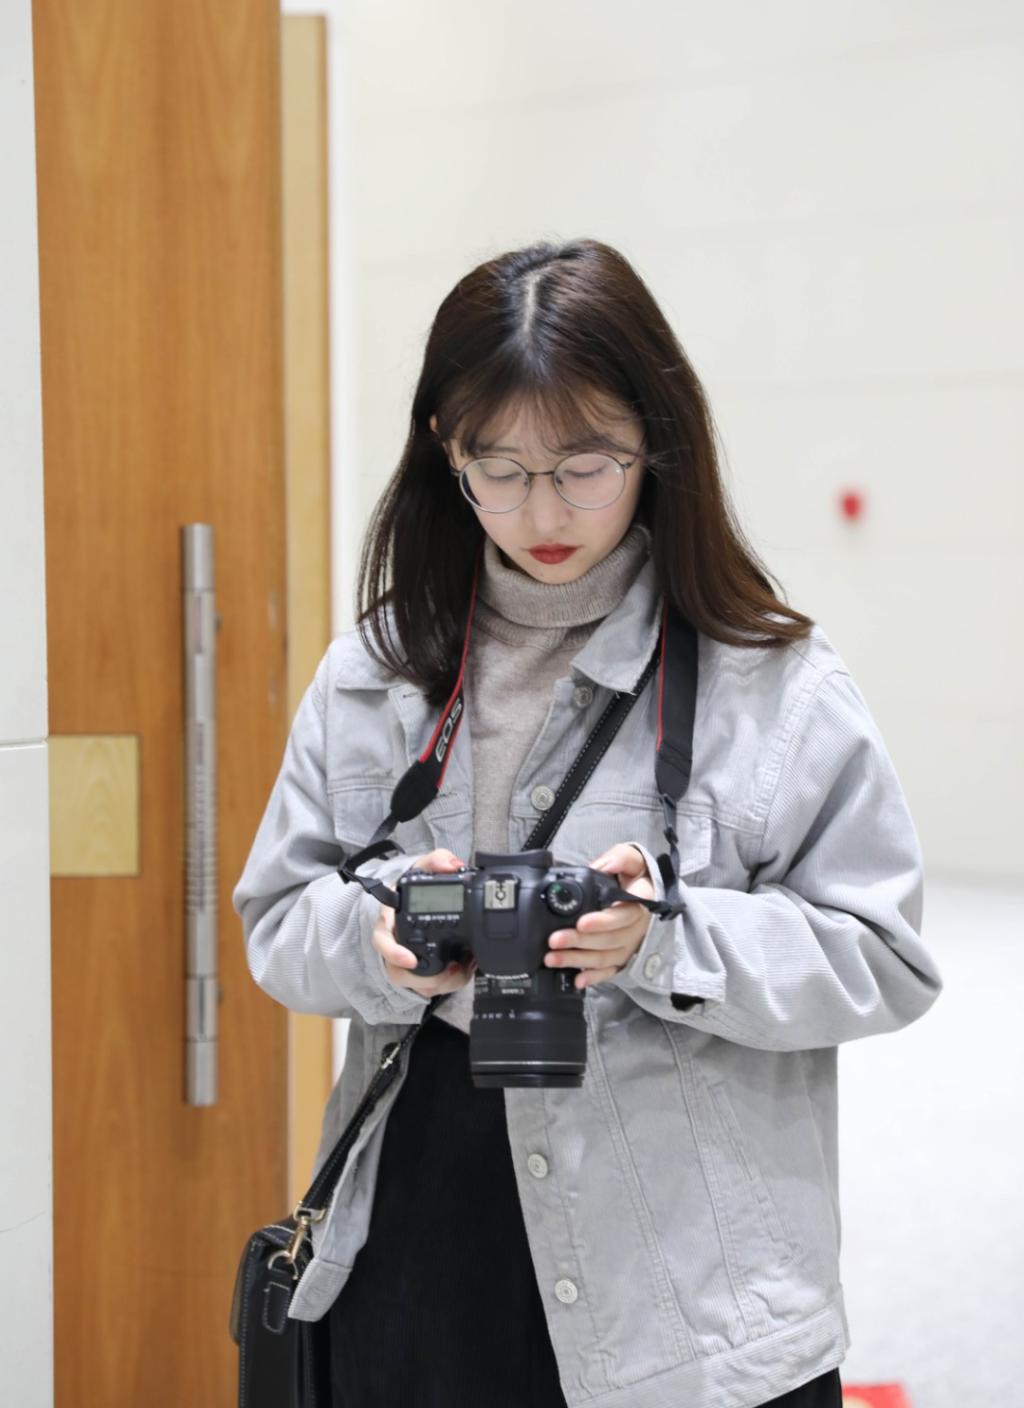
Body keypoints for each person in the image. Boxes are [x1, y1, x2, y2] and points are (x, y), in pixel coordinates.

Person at [232, 237, 943, 1408]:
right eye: (499, 468)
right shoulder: (373, 674)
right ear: (445, 452)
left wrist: (664, 940)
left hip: (689, 1283)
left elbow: (883, 956)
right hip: (420, 1242)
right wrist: (380, 941)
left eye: (584, 465)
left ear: (653, 444)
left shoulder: (772, 680)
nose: (542, 510)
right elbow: (275, 920)